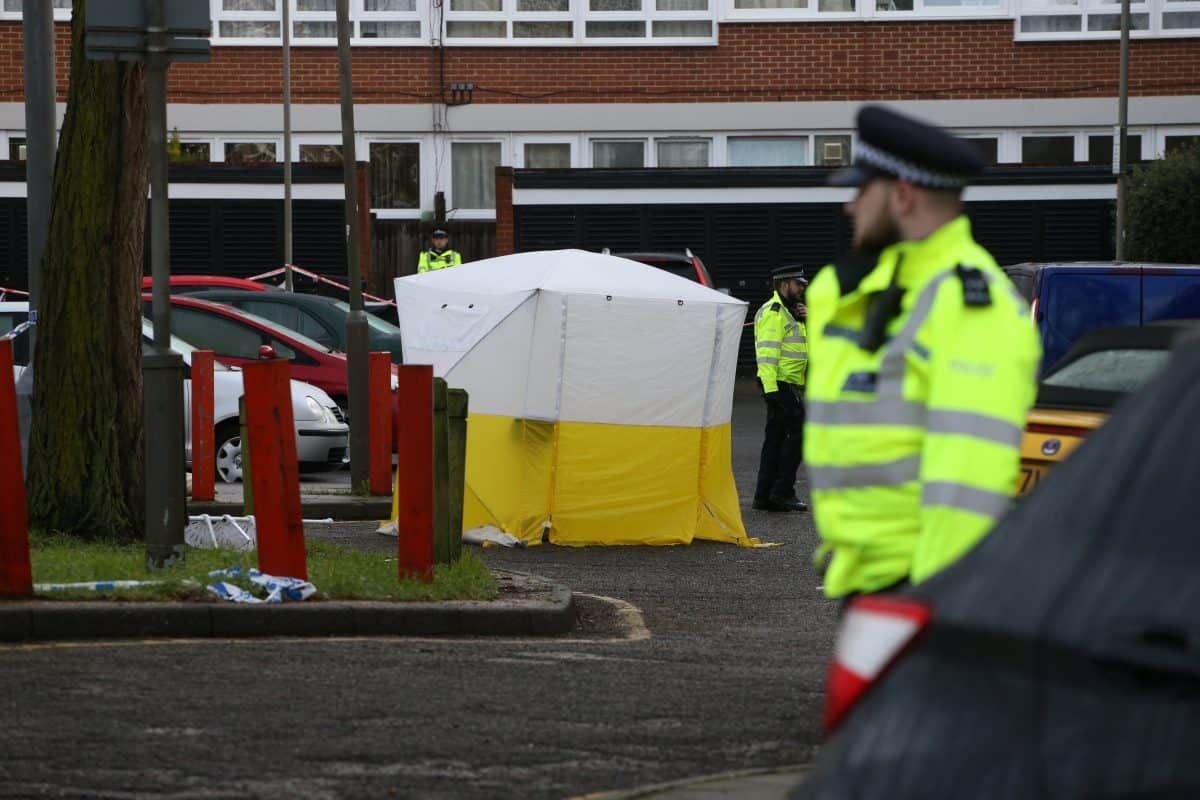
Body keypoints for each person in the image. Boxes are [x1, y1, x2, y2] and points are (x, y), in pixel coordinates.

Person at [805, 105, 1042, 600]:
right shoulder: (891, 283)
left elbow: (966, 481)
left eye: (861, 190)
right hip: (870, 579)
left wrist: (929, 607)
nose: (851, 207)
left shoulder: (969, 303)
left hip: (917, 589)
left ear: (903, 196)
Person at [753, 265, 811, 513]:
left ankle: (764, 496)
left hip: (786, 383)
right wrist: (771, 391)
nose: (802, 289)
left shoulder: (790, 312)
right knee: (798, 436)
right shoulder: (774, 312)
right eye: (798, 284)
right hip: (780, 383)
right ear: (784, 284)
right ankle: (782, 492)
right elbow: (767, 354)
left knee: (776, 440)